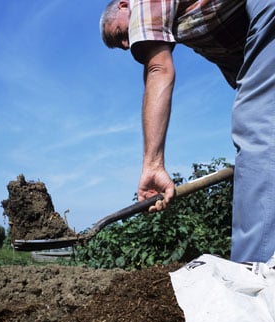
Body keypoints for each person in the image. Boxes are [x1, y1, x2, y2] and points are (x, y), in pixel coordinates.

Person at [100, 0, 275, 263]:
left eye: (119, 35)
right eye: (119, 45)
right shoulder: (194, 26)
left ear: (124, 6)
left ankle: (253, 279)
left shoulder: (142, 3)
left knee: (253, 121)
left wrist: (153, 164)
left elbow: (159, 68)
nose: (126, 45)